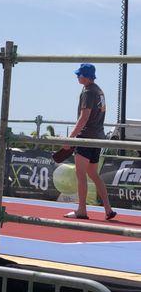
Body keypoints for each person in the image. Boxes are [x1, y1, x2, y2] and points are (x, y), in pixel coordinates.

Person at [64, 64, 116, 220]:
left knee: (80, 175)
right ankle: (108, 209)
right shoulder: (98, 90)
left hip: (86, 137)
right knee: (93, 173)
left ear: (86, 76)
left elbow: (84, 117)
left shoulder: (88, 91)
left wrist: (71, 137)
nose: (77, 77)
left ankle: (81, 210)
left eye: (79, 75)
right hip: (98, 138)